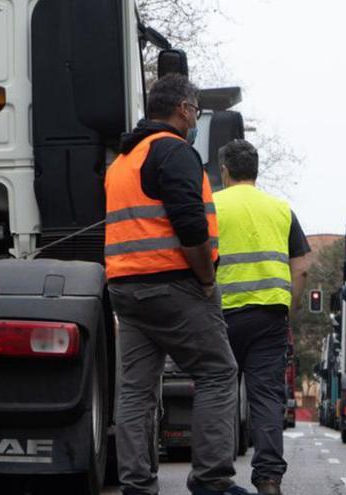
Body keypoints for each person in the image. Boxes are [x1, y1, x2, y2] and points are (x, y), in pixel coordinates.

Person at [105, 74, 252, 495]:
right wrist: (206, 278)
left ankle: (137, 485)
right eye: (196, 111)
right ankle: (211, 480)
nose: (195, 119)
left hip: (126, 289)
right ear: (184, 110)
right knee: (219, 372)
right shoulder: (174, 151)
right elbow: (189, 223)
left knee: (135, 389)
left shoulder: (123, 160)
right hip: (174, 284)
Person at [213, 139, 310, 495]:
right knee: (267, 397)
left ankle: (216, 475)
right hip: (269, 316)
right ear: (255, 170)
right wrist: (290, 310)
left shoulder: (211, 204)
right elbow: (301, 268)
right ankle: (268, 478)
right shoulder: (281, 209)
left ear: (224, 170)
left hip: (220, 316)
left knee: (219, 393)